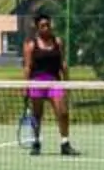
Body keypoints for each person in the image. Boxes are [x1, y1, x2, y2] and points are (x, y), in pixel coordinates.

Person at [21, 9, 74, 155]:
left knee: (63, 112)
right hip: (37, 82)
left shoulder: (58, 42)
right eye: (43, 25)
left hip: (54, 82)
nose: (47, 28)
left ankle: (65, 143)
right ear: (37, 28)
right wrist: (25, 87)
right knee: (37, 115)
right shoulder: (31, 45)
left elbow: (63, 63)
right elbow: (27, 66)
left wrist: (67, 82)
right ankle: (36, 143)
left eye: (48, 25)